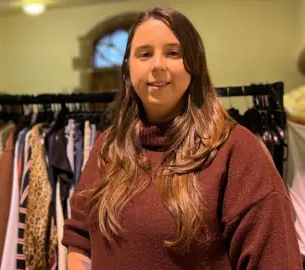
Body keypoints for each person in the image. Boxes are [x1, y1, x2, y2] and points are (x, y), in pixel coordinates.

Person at [62, 6, 302, 269]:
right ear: (128, 67)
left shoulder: (236, 152)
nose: (157, 65)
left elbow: (276, 260)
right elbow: (81, 238)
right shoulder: (110, 146)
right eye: (144, 54)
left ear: (194, 64)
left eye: (173, 53)